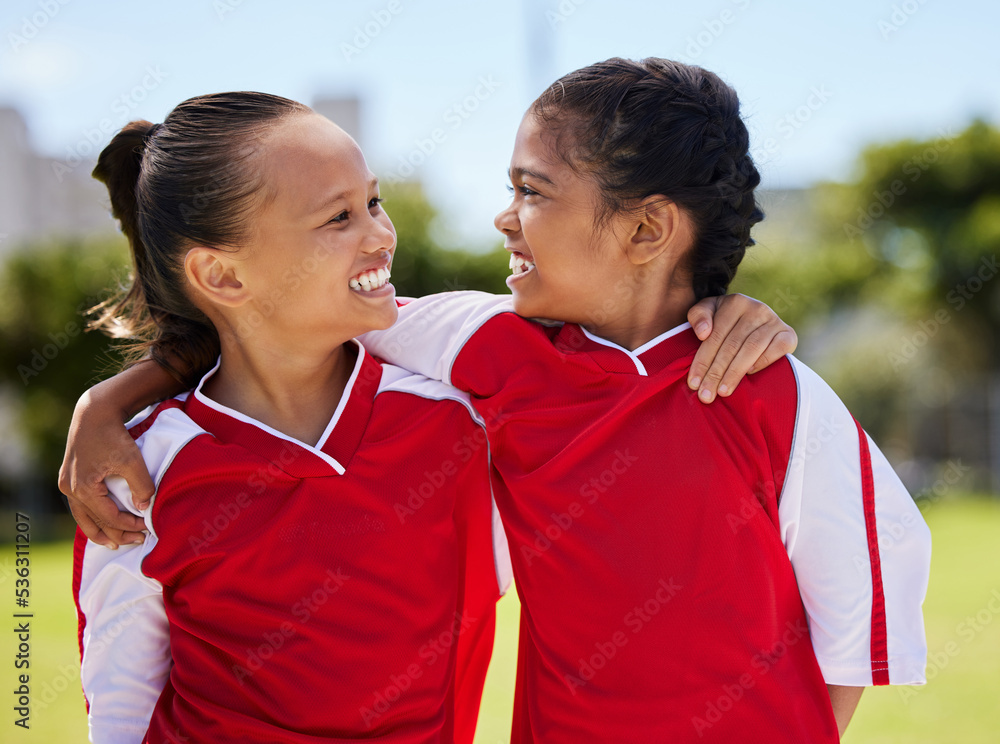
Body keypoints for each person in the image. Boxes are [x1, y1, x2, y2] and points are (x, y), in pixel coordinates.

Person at [353, 58, 932, 742]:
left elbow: (861, 605)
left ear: (648, 231)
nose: (505, 218)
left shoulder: (772, 389)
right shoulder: (485, 345)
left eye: (532, 190)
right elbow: (321, 323)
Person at [72, 92, 512, 744]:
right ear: (221, 274)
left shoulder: (463, 426)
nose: (380, 234)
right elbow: (121, 716)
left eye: (373, 202)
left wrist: (716, 310)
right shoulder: (139, 472)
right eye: (338, 218)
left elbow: (598, 348)